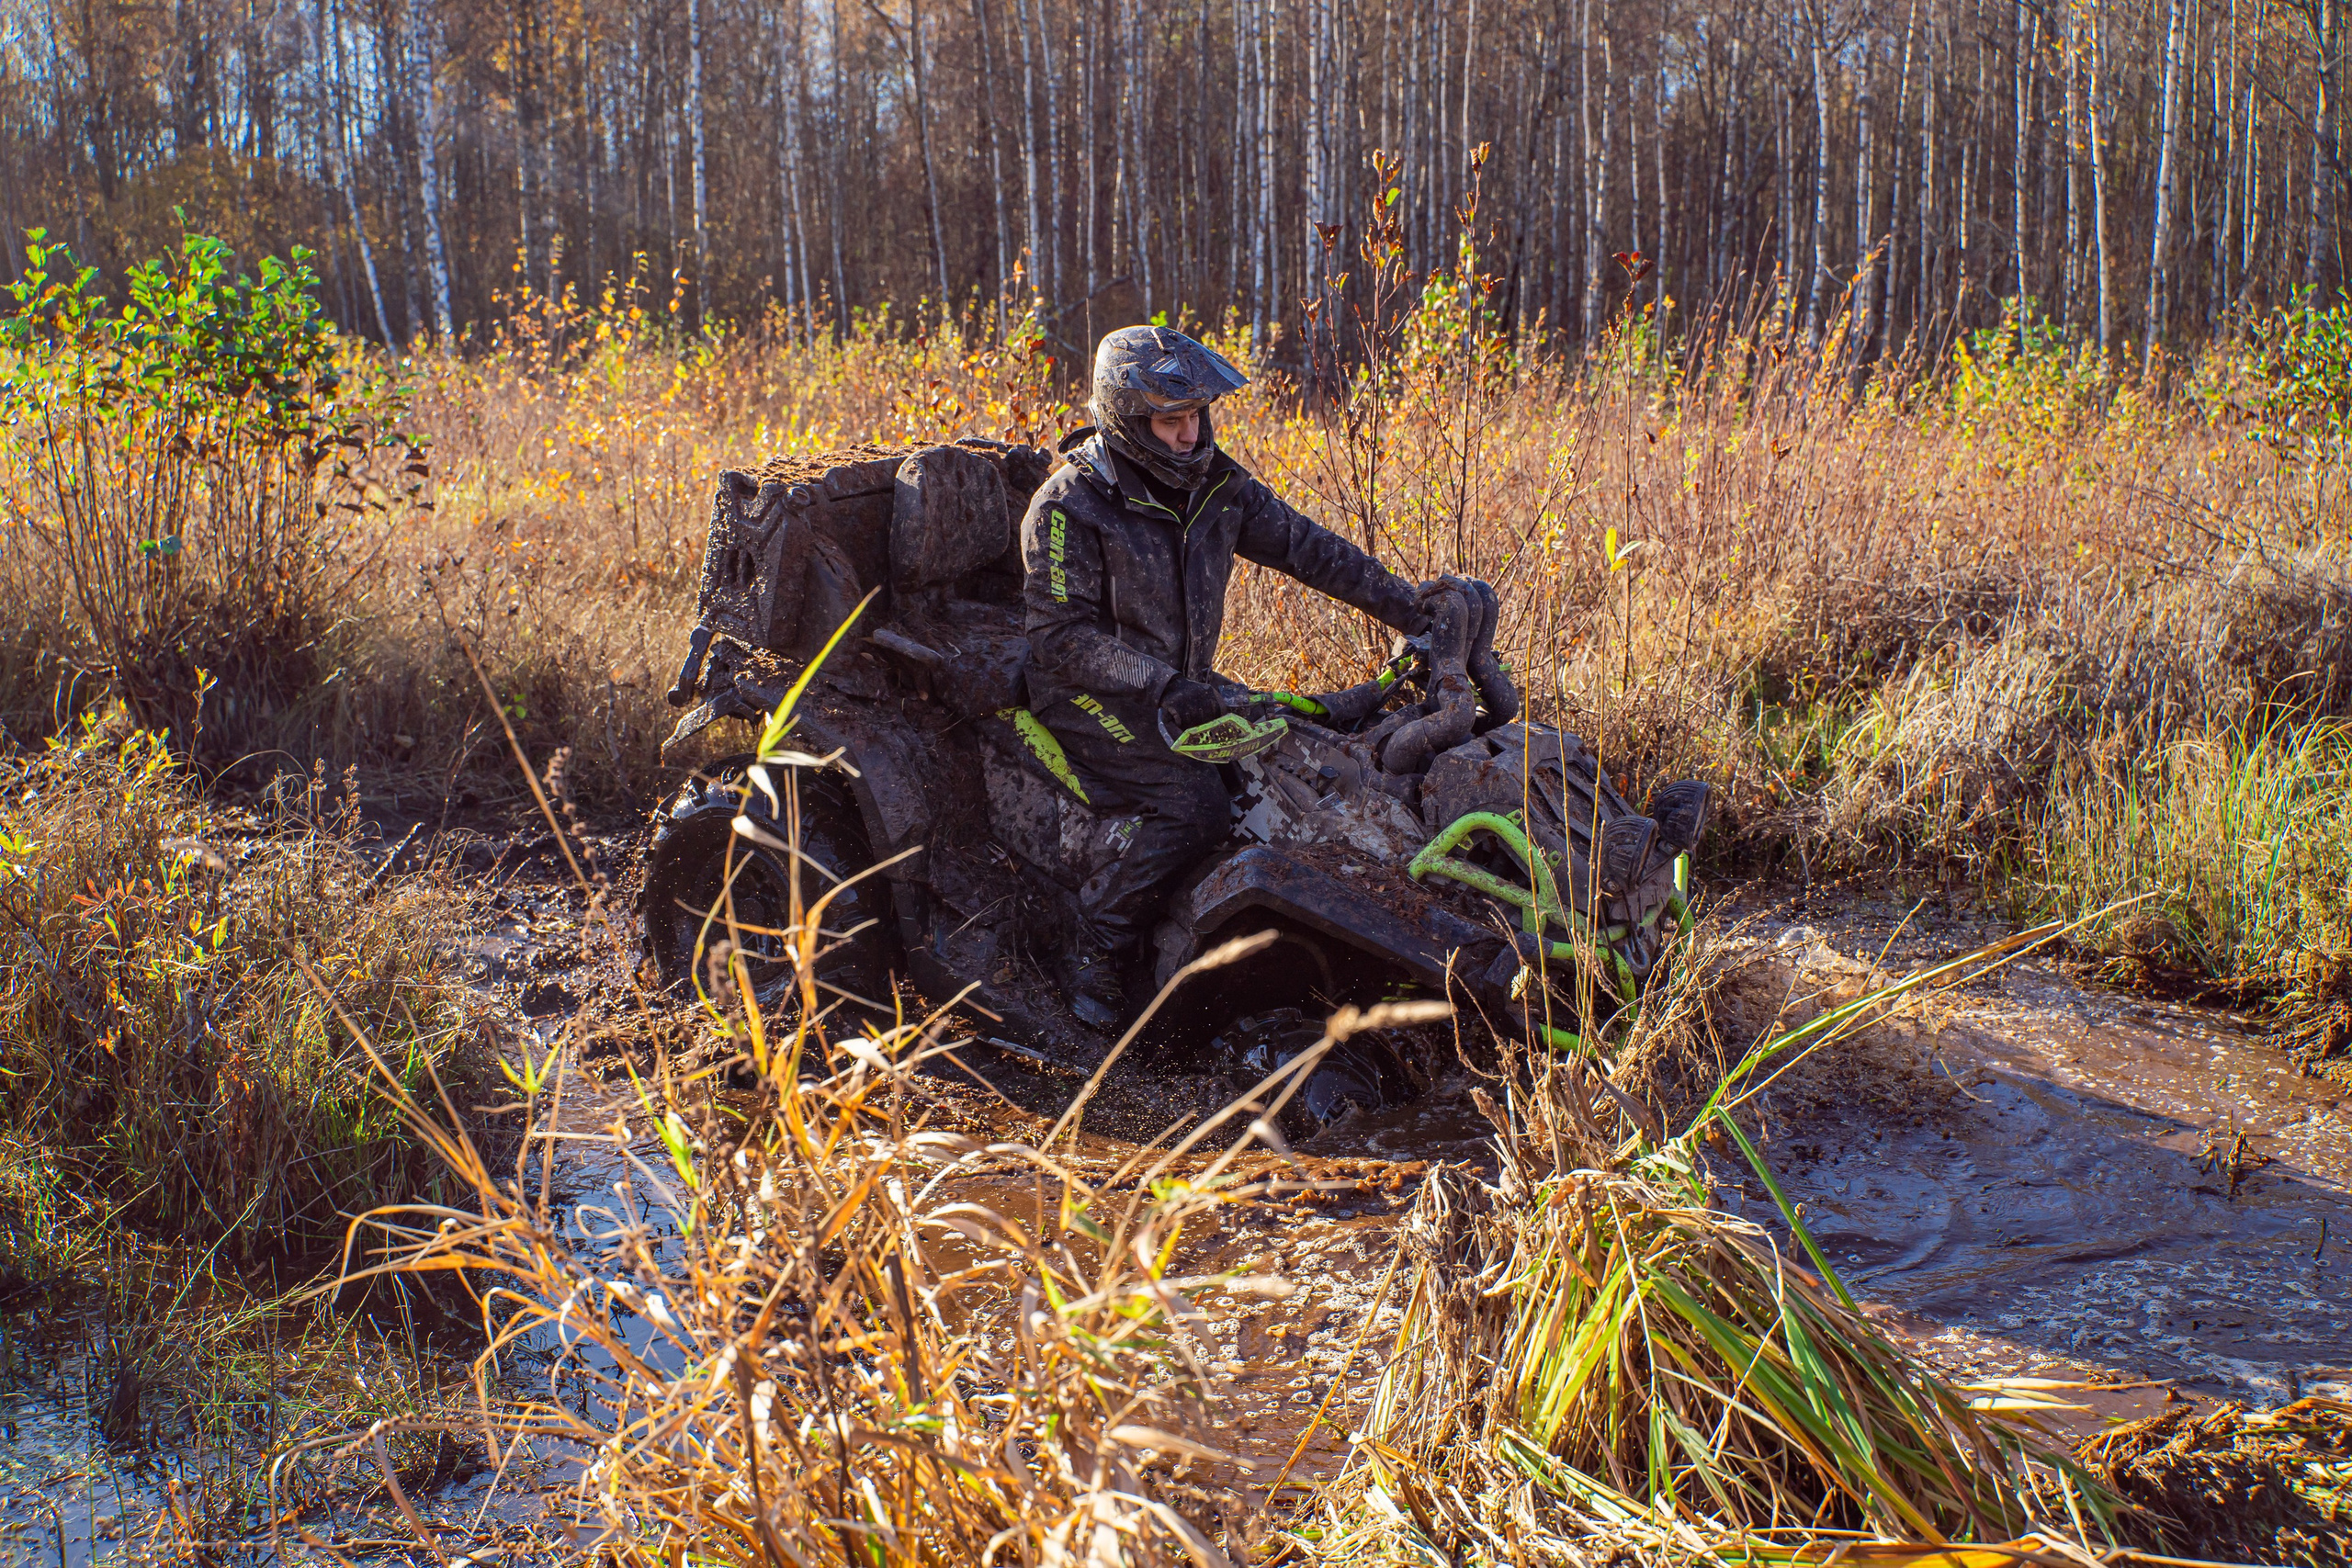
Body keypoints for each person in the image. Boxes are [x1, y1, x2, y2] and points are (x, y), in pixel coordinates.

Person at [1019, 324, 1446, 1027]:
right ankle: (1095, 947)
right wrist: (1160, 683)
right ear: (1127, 420)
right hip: (1085, 696)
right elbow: (1059, 641)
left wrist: (1411, 607)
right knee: (1196, 807)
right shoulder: (1069, 505)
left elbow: (1308, 548)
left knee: (1303, 743)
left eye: (1195, 415)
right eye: (1170, 420)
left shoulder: (1215, 483)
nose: (1189, 435)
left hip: (1180, 686)